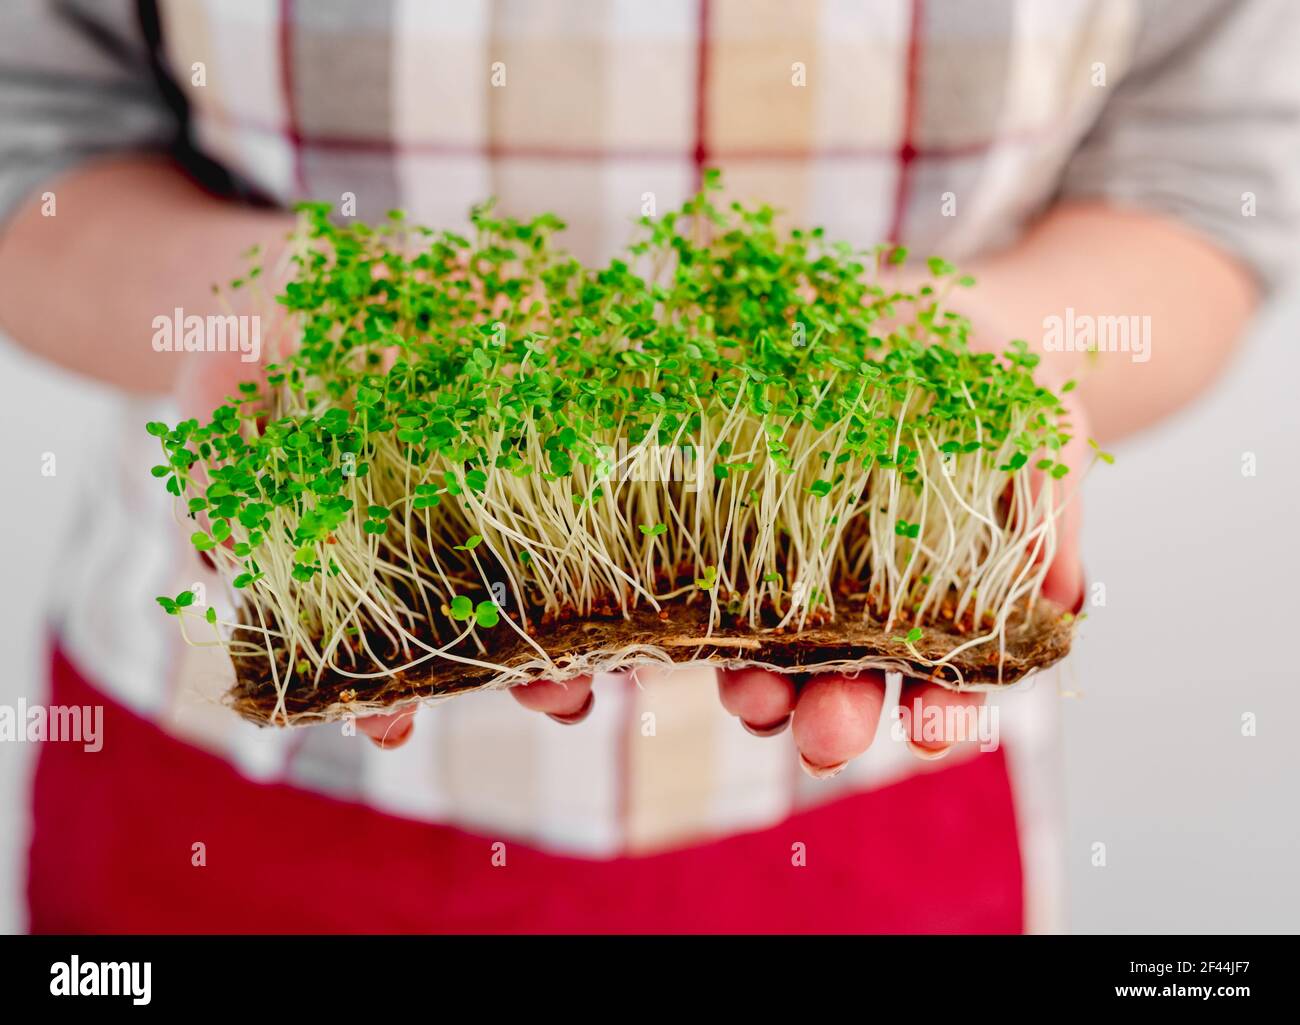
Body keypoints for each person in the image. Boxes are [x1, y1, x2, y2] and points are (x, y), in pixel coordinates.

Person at [1, 0, 1295, 933]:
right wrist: (257, 304)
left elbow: (1204, 173)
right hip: (223, 818)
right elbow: (36, 132)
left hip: (874, 846)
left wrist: (1005, 346)